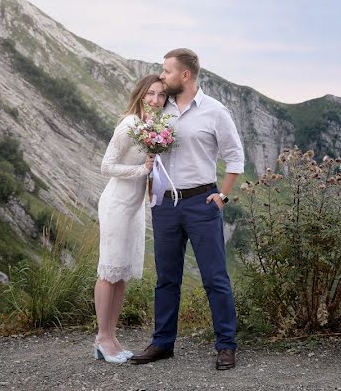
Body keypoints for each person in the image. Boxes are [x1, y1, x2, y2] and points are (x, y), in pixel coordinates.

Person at [130, 48, 244, 371]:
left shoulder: (215, 111)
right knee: (166, 278)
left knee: (215, 278)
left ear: (185, 75)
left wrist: (222, 196)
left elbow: (235, 157)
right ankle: (162, 343)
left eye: (166, 72)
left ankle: (226, 345)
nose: (162, 77)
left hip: (202, 202)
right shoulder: (158, 110)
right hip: (165, 205)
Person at [93, 74, 167, 364]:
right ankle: (101, 338)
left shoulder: (152, 127)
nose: (155, 100)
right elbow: (106, 166)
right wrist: (141, 171)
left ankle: (112, 337)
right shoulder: (129, 125)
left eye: (161, 95)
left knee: (121, 273)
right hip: (116, 204)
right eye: (150, 94)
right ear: (140, 94)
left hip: (134, 207)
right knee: (108, 271)